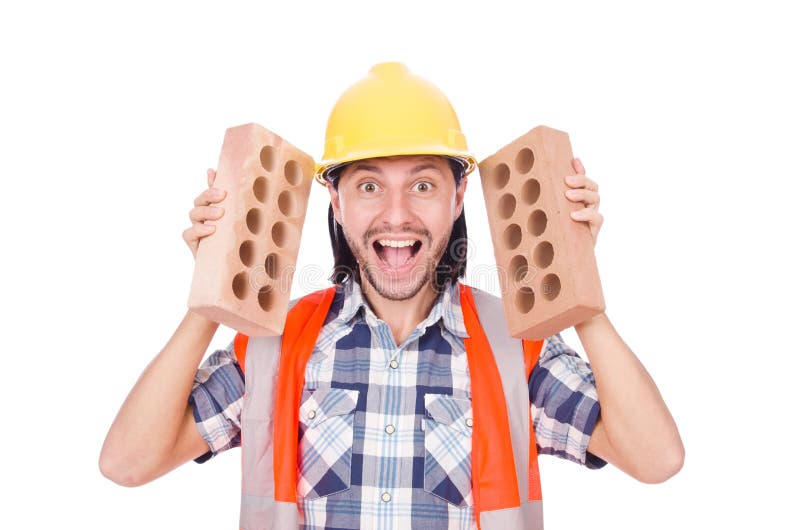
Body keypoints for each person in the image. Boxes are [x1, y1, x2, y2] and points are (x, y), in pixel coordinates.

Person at [99, 62, 684, 529]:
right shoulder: (281, 345)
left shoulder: (514, 344)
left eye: (423, 184)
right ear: (336, 201)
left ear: (458, 198)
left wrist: (581, 288)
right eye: (370, 185)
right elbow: (127, 464)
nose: (397, 215)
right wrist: (210, 291)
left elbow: (656, 460)